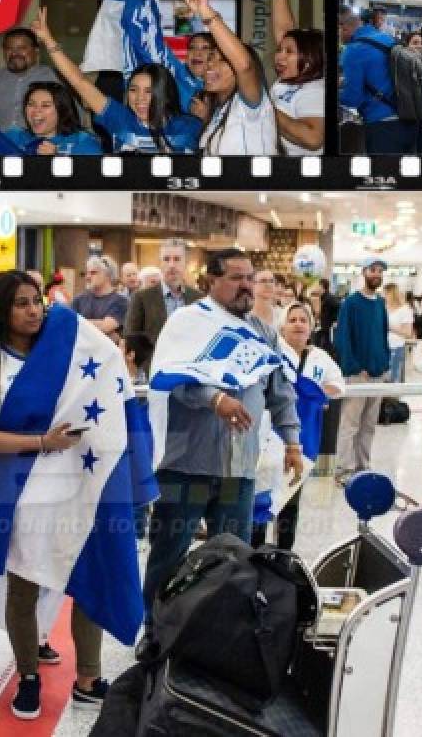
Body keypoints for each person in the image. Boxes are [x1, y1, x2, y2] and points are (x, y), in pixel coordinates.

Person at [0, 271, 148, 718]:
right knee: (23, 587)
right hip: (23, 493)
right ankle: (27, 676)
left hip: (79, 488)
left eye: (37, 302)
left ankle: (89, 677)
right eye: (21, 303)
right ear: (1, 311)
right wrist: (41, 442)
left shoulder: (69, 350)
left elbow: (105, 376)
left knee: (89, 576)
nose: (33, 311)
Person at [144, 249, 302, 627]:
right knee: (170, 552)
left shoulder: (261, 330)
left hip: (238, 471)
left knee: (233, 556)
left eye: (250, 277)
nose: (246, 285)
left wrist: (293, 441)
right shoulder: (188, 323)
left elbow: (280, 391)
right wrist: (214, 399)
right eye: (235, 277)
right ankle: (153, 627)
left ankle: (216, 632)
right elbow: (172, 381)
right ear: (210, 282)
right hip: (187, 467)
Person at [30, 7, 202, 154]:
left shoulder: (190, 126)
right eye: (133, 90)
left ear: (164, 93)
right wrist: (48, 40)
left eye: (149, 91)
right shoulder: (119, 118)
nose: (139, 98)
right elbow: (80, 82)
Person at [250, 302, 343, 550]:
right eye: (292, 320)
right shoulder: (273, 351)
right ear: (282, 327)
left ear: (311, 327)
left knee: (290, 498)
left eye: (303, 320)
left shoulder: (320, 358)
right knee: (261, 495)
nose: (298, 324)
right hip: (269, 436)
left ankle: (283, 557)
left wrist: (310, 392)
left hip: (304, 439)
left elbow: (337, 386)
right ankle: (253, 555)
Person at [175, 0, 277, 156]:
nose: (208, 65)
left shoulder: (249, 106)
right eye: (208, 61)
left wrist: (205, 12)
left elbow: (245, 65)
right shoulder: (217, 111)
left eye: (219, 60)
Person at [333, 259, 391, 472]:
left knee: (369, 425)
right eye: (373, 270)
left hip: (378, 374)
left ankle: (362, 466)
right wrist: (355, 367)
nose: (377, 274)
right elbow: (342, 338)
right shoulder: (351, 303)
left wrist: (385, 364)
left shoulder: (380, 304)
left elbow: (383, 335)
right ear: (364, 272)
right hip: (358, 375)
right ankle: (344, 468)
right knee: (350, 424)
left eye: (380, 271)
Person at [339, 5, 421, 153]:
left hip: (382, 126)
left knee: (383, 175)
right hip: (410, 119)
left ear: (342, 27)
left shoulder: (353, 51)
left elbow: (353, 99)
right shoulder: (386, 38)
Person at [124, 238, 203, 370]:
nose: (171, 265)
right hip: (155, 370)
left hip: (191, 371)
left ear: (186, 263)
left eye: (177, 259)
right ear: (160, 263)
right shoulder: (142, 298)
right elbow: (131, 336)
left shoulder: (198, 298)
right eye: (166, 259)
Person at [269, 0, 325, 155]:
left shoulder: (315, 89)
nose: (279, 55)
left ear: (308, 59)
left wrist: (266, 109)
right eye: (279, 50)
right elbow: (285, 33)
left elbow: (313, 139)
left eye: (288, 52)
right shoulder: (289, 80)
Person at [0, 28, 62, 132]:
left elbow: (71, 118)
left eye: (22, 48)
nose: (14, 53)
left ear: (36, 50)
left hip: (42, 145)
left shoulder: (55, 78)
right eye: (9, 48)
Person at [3, 81, 102, 155]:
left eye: (45, 105)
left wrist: (58, 160)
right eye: (31, 104)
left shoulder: (82, 141)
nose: (36, 110)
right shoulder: (14, 137)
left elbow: (94, 180)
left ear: (63, 111)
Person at [71, 255, 129, 342]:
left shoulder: (121, 301)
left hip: (107, 353)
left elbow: (106, 327)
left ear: (108, 275)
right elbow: (70, 325)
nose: (88, 277)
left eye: (93, 272)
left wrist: (78, 323)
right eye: (87, 273)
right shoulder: (78, 300)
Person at [384, 282, 414, 383]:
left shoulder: (405, 310)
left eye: (386, 293)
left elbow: (408, 333)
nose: (384, 296)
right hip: (382, 347)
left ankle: (393, 398)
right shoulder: (384, 308)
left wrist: (389, 327)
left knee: (394, 378)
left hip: (396, 347)